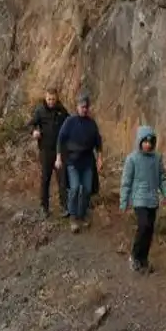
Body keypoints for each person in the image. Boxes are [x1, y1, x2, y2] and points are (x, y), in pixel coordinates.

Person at [119, 126, 166, 273]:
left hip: (153, 200)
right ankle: (134, 256)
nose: (147, 144)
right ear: (140, 141)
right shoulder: (132, 159)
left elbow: (162, 178)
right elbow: (126, 182)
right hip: (139, 199)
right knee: (143, 226)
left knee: (149, 230)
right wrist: (124, 201)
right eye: (145, 141)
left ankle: (143, 259)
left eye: (150, 141)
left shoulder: (157, 158)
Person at [56, 95, 102, 234]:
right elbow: (60, 139)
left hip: (87, 162)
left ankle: (82, 213)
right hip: (73, 161)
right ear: (77, 107)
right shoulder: (70, 122)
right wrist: (58, 158)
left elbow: (98, 142)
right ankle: (73, 217)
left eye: (86, 107)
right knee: (75, 188)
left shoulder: (91, 123)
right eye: (82, 107)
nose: (84, 109)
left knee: (87, 190)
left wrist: (100, 158)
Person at [27, 88, 71, 218]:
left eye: (53, 99)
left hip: (60, 151)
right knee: (45, 178)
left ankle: (65, 206)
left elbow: (69, 124)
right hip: (46, 151)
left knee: (62, 179)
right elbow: (30, 124)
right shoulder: (40, 110)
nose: (51, 101)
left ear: (57, 98)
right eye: (49, 99)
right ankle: (44, 207)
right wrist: (34, 131)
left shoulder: (61, 110)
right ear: (45, 98)